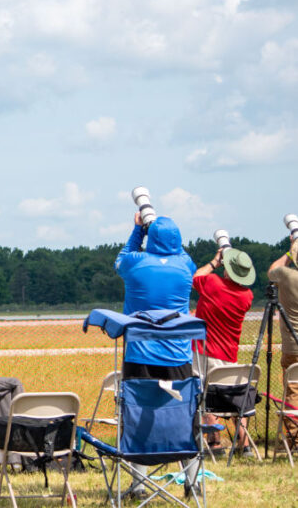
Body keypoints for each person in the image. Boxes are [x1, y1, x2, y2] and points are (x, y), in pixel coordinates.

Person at [115, 212, 196, 497]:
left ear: (151, 239)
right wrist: (163, 233)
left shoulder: (135, 264)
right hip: (178, 356)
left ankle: (138, 483)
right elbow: (183, 253)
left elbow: (122, 257)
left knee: (138, 412)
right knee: (184, 414)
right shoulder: (185, 266)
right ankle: (192, 482)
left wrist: (139, 230)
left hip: (140, 354)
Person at [191, 247, 255, 454]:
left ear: (227, 270)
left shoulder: (213, 283)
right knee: (234, 396)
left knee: (206, 395)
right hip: (229, 356)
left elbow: (194, 277)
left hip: (203, 352)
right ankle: (244, 445)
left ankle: (214, 443)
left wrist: (214, 262)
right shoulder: (247, 296)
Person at [269, 239, 298, 442]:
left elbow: (272, 271)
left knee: (293, 390)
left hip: (292, 346)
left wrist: (290, 252)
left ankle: (294, 437)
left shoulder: (288, 276)